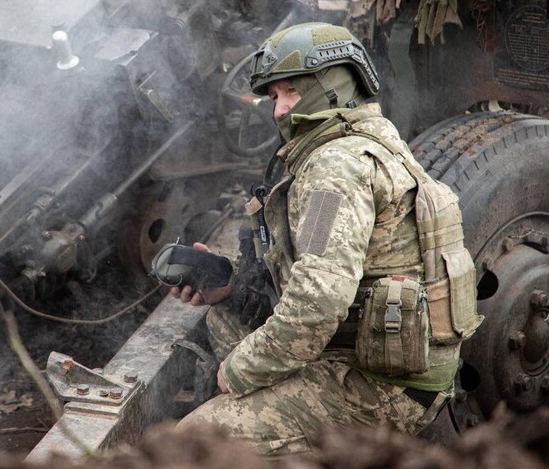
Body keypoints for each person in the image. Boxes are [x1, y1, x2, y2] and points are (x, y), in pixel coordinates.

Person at [162, 22, 482, 455]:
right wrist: (231, 290)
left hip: (382, 386)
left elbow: (316, 304)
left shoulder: (335, 170)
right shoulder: (370, 141)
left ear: (330, 87)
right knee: (225, 320)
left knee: (190, 446)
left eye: (289, 92)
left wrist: (236, 373)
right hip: (390, 359)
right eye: (274, 97)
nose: (278, 111)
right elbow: (319, 274)